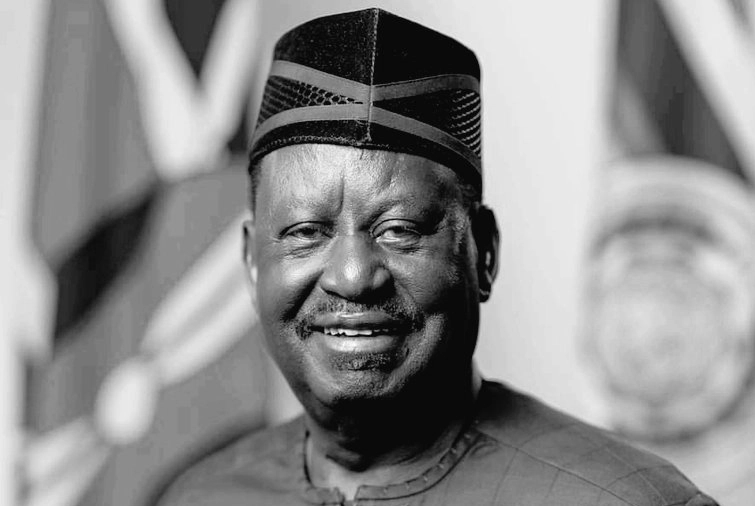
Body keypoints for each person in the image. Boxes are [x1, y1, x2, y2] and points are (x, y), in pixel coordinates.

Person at [157, 8, 717, 506]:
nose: (353, 276)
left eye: (399, 230)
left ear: (483, 253)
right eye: (306, 232)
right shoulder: (199, 497)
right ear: (252, 262)